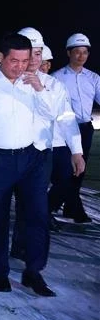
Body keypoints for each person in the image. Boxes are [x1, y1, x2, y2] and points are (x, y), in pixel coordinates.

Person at [0, 32, 58, 296]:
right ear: (1, 58)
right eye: (14, 61)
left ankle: (33, 272)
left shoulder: (34, 82)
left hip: (31, 159)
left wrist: (39, 89)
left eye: (25, 60)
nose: (20, 66)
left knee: (38, 216)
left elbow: (51, 115)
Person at [9, 27, 84, 260]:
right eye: (31, 53)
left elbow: (65, 118)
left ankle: (27, 250)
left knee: (34, 204)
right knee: (14, 203)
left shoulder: (54, 86)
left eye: (39, 53)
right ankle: (13, 247)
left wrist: (76, 151)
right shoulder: (6, 82)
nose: (35, 59)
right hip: (12, 153)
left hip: (42, 153)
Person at [51, 33, 100, 223]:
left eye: (85, 52)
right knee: (64, 171)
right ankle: (52, 206)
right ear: (68, 53)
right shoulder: (57, 78)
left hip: (85, 128)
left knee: (79, 170)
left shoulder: (94, 78)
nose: (81, 56)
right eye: (77, 52)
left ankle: (71, 208)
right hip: (63, 130)